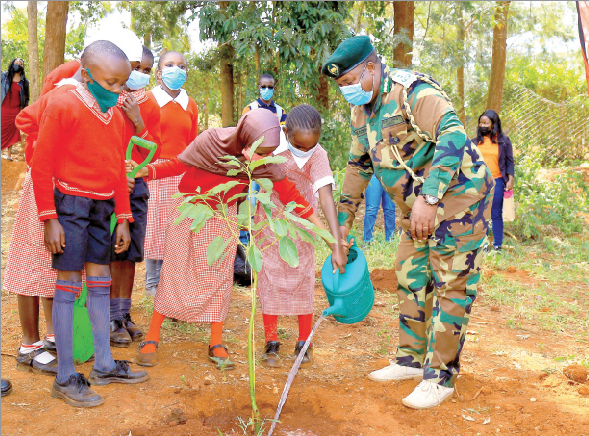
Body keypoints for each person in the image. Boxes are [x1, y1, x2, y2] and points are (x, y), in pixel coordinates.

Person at [322, 36, 493, 409]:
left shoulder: (411, 92)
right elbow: (358, 166)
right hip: (415, 209)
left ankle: (441, 377)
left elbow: (453, 133)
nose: (347, 91)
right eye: (341, 87)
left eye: (350, 81)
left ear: (371, 67)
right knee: (410, 274)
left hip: (457, 200)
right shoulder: (361, 111)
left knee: (451, 284)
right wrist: (344, 225)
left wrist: (430, 197)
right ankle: (411, 360)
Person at [132, 109, 344, 370]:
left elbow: (293, 197)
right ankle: (153, 336)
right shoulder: (211, 141)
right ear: (246, 140)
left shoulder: (262, 163)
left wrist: (327, 237)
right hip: (190, 209)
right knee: (175, 271)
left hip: (224, 216)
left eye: (268, 153)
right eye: (262, 153)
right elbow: (179, 164)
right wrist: (147, 172)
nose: (266, 159)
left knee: (219, 279)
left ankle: (216, 342)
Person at [31, 40, 148, 408]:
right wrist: (50, 218)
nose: (118, 91)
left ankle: (104, 364)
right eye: (111, 83)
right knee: (67, 285)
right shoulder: (63, 105)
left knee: (101, 282)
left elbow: (118, 169)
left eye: (123, 84)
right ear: (86, 75)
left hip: (102, 209)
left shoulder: (114, 116)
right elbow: (41, 166)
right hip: (70, 205)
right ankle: (65, 376)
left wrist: (125, 218)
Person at [256, 104, 346, 368]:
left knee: (302, 277)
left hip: (305, 222)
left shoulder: (319, 155)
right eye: (300, 146)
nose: (306, 151)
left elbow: (325, 195)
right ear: (286, 132)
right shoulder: (272, 148)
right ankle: (271, 341)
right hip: (271, 220)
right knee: (270, 277)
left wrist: (336, 243)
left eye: (311, 146)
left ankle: (304, 340)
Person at [109, 45, 162, 347]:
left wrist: (138, 119)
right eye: (135, 68)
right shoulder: (106, 96)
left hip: (136, 185)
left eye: (145, 71)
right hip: (110, 183)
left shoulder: (148, 104)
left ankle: (124, 313)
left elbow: (153, 148)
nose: (139, 75)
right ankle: (110, 317)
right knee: (112, 251)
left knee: (129, 255)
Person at [143, 50, 199, 297]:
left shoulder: (191, 104)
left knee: (177, 227)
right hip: (153, 173)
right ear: (158, 73)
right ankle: (153, 282)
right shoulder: (148, 100)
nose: (176, 69)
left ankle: (172, 281)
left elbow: (193, 143)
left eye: (181, 66)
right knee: (155, 226)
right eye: (169, 64)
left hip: (182, 174)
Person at [474, 110, 514, 251]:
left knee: (496, 213)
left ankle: (497, 245)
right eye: (481, 122)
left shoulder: (503, 141)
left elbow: (510, 161)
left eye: (486, 123)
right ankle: (483, 244)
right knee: (480, 212)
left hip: (497, 180)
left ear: (493, 125)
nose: (482, 125)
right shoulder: (474, 142)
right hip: (479, 181)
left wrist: (510, 179)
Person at [1, 58, 29, 161]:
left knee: (12, 133)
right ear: (12, 64)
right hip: (3, 108)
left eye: (20, 64)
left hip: (15, 111)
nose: (18, 65)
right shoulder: (4, 76)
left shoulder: (24, 82)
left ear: (22, 67)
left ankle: (8, 155)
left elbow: (26, 97)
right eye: (16, 63)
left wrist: (24, 110)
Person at [363, 174, 396, 244]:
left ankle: (390, 240)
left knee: (390, 210)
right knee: (371, 209)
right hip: (373, 173)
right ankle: (367, 241)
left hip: (391, 174)